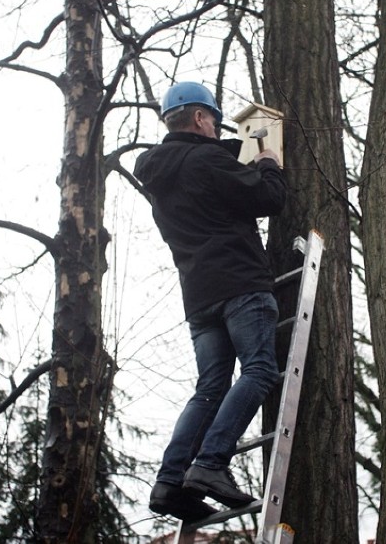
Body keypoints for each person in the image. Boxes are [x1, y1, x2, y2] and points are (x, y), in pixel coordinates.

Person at [134, 81, 286, 521]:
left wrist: (238, 153)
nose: (218, 130)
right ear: (201, 118)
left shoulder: (158, 180)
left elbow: (214, 193)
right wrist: (270, 163)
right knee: (259, 370)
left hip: (199, 299)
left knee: (210, 388)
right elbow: (269, 198)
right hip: (240, 283)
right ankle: (210, 464)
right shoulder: (207, 160)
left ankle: (169, 482)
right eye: (215, 122)